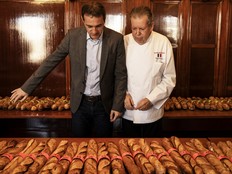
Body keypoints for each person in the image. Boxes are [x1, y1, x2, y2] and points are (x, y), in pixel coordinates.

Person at [10, 1, 127, 137]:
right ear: (83, 20)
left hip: (104, 105)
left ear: (104, 21)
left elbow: (120, 75)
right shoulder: (73, 36)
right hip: (79, 104)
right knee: (78, 149)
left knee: (104, 150)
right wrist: (26, 88)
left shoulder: (116, 39)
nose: (94, 31)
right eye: (89, 26)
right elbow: (51, 61)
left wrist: (117, 105)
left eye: (98, 26)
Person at [123, 6, 176, 137]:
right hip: (128, 111)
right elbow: (116, 75)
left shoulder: (163, 43)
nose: (137, 33)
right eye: (134, 28)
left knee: (153, 152)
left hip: (153, 113)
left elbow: (169, 78)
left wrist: (151, 99)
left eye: (141, 29)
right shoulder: (124, 41)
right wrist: (123, 95)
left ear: (151, 26)